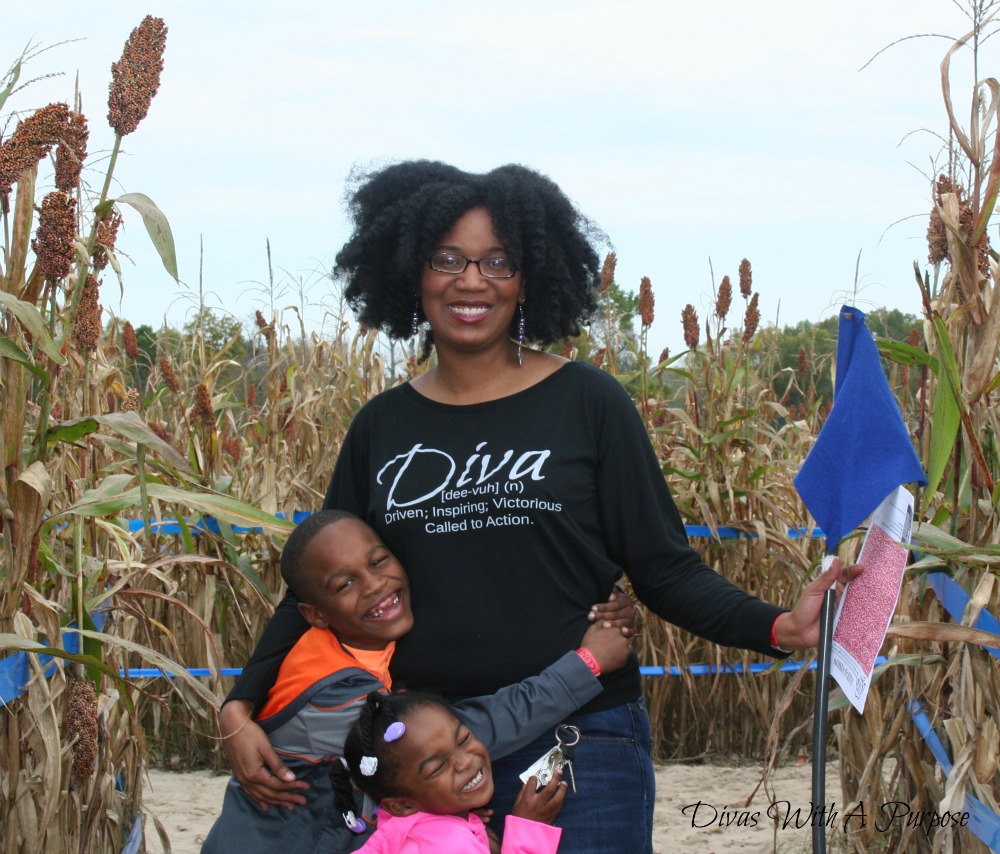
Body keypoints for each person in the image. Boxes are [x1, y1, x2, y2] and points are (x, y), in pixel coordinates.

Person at [221, 160, 860, 853]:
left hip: (582, 744)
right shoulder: (382, 427)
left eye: (499, 260)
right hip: (426, 761)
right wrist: (239, 707)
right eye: (448, 260)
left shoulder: (589, 403)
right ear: (410, 272)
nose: (473, 281)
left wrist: (781, 628)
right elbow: (317, 585)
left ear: (531, 278)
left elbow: (666, 571)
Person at [204, 509, 630, 853]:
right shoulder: (333, 691)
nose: (375, 585)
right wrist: (586, 664)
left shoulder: (349, 647)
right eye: (347, 583)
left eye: (378, 561)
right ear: (315, 614)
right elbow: (462, 732)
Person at [339, 690, 565, 853]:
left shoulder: (409, 832)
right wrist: (528, 829)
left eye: (464, 739)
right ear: (402, 805)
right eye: (438, 767)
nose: (465, 762)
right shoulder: (448, 845)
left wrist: (467, 823)